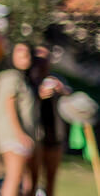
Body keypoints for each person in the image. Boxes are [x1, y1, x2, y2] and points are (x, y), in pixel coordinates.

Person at [0, 43, 38, 196]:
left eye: (27, 53)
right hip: (13, 135)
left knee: (27, 179)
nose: (24, 57)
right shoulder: (11, 76)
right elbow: (9, 105)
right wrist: (20, 134)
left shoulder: (23, 78)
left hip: (22, 135)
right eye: (19, 53)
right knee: (14, 177)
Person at [28, 46, 70, 196]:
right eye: (38, 58)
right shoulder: (28, 79)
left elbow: (70, 95)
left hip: (54, 135)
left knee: (51, 178)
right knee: (30, 180)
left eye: (45, 58)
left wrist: (61, 89)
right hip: (34, 136)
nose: (42, 61)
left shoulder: (56, 78)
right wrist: (37, 95)